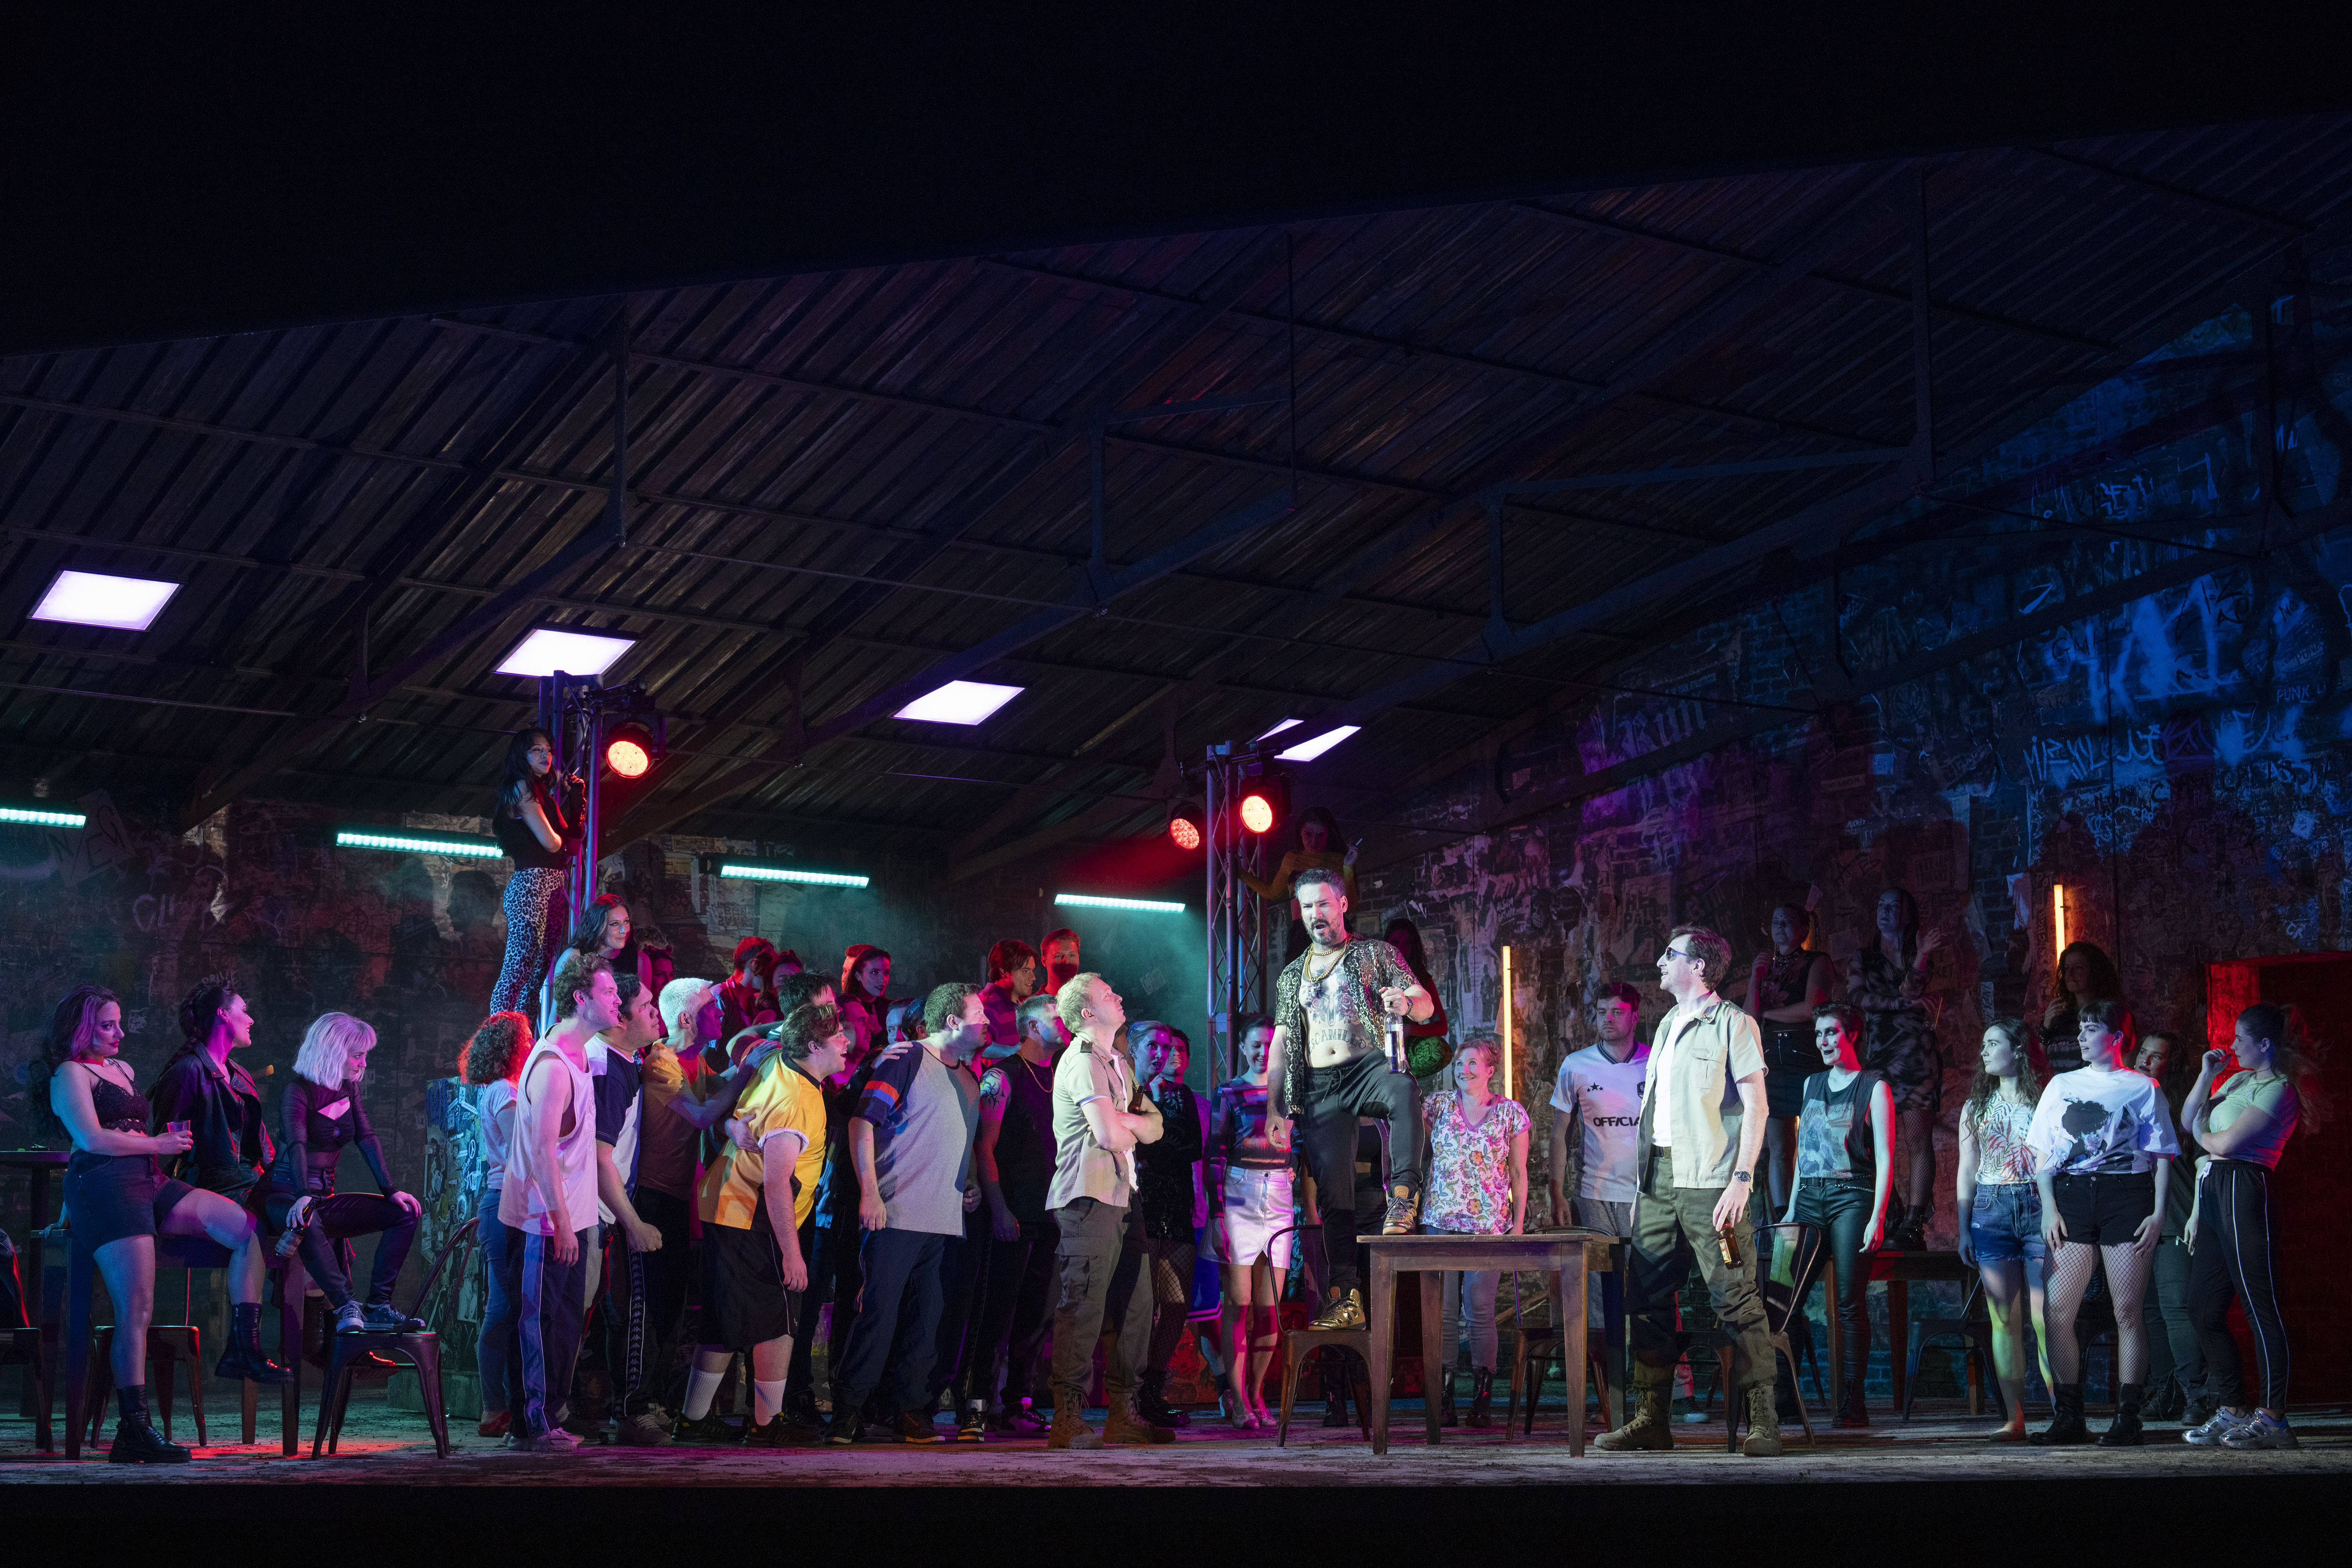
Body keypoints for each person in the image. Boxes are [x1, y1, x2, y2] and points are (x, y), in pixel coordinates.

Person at [40, 986, 285, 1462]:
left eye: (118, 1022)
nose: (119, 1032)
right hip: (107, 1186)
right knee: (138, 1306)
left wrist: (156, 1151)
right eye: (107, 1025)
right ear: (82, 1029)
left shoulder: (123, 1070)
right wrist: (157, 1145)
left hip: (149, 1180)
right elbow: (89, 1139)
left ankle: (243, 1344)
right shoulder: (69, 1074)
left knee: (245, 1228)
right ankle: (133, 1427)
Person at [1595, 925, 1778, 1457]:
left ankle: (1763, 1419)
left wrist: (1741, 1178)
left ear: (1698, 966)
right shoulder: (1668, 1023)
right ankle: (1652, 1418)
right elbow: (1655, 1114)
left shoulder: (1734, 1024)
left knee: (1735, 1295)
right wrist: (1640, 1189)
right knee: (1647, 1299)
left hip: (1711, 1184)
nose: (1659, 961)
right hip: (1658, 1182)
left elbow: (1757, 1106)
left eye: (1669, 954)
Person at [1263, 868, 1437, 1329]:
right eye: (1306, 906)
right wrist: (1274, 1108)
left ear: (1342, 904)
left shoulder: (1375, 953)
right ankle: (1345, 1297)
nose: (1314, 914)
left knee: (1402, 1088)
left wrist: (1406, 1002)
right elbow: (1281, 1043)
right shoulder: (1292, 975)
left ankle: (1403, 1199)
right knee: (1333, 1194)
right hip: (1319, 1084)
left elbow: (1424, 1003)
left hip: (1367, 1067)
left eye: (1322, 903)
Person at [676, 1002, 844, 1447]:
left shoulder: (774, 1056)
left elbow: (744, 1041)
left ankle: (693, 1420)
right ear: (814, 1046)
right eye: (838, 1035)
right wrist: (792, 1253)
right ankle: (767, 1424)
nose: (847, 1041)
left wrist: (731, 1123)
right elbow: (776, 1182)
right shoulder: (796, 1099)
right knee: (779, 1320)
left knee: (724, 1318)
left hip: (729, 1207)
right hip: (752, 1215)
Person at [826, 982, 985, 1445]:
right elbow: (861, 1123)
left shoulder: (969, 1079)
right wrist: (870, 1194)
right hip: (895, 1215)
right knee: (876, 1315)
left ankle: (909, 1410)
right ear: (952, 1021)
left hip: (942, 1221)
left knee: (926, 1320)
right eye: (978, 1014)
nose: (987, 1022)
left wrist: (968, 1185)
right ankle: (848, 1410)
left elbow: (952, 1143)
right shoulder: (905, 1059)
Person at [2026, 998, 2177, 1447]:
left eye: (2091, 1029)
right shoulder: (2062, 1084)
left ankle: (2128, 1418)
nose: (2081, 1036)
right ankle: (2069, 1416)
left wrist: (2159, 1212)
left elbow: (2162, 1154)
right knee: (2058, 1310)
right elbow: (2043, 1153)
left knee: (2127, 1310)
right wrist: (2049, 1207)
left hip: (2125, 1195)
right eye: (2080, 1028)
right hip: (2072, 1195)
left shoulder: (2143, 1087)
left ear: (2116, 1038)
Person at [2179, 1002, 2328, 1451]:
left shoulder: (2280, 1090)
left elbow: (2225, 1142)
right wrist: (2207, 1075)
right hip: (2215, 1186)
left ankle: (2274, 1418)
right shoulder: (2237, 1080)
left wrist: (2202, 1136)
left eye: (2241, 1038)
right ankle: (2232, 1407)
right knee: (2202, 1307)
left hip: (2245, 1189)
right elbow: (2188, 1118)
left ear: (2264, 1044)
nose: (2233, 1045)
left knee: (2261, 1308)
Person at [1042, 971, 1174, 1449]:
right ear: (1087, 1013)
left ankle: (1124, 1412)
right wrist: (1128, 1124)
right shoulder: (1081, 1061)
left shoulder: (1116, 1060)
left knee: (1136, 1307)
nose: (1118, 996)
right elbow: (1109, 1136)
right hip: (1088, 1197)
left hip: (1124, 1196)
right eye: (1106, 994)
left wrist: (1126, 1120)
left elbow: (1157, 1127)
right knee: (1083, 1307)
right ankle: (1068, 1416)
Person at [501, 953, 616, 1450]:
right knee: (537, 1322)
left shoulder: (582, 1055)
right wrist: (562, 1222)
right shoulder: (552, 1067)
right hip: (543, 1221)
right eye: (609, 992)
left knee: (565, 1323)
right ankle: (531, 1425)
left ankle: (549, 1416)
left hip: (574, 1215)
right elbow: (542, 1150)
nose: (618, 1000)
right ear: (580, 998)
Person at [264, 1012, 424, 1338]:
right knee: (307, 1217)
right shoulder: (297, 1091)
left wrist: (390, 1190)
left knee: (405, 1213)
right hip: (285, 1195)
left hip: (324, 1198)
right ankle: (345, 1305)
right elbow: (296, 1145)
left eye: (364, 1055)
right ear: (334, 1051)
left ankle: (378, 1306)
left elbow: (366, 1136)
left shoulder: (348, 1088)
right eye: (358, 1055)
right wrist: (301, 1196)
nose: (363, 1063)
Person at [1777, 1003, 1893, 1428]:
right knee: (1782, 1298)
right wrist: (1791, 1209)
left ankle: (1853, 1402)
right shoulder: (1811, 1083)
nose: (1823, 1041)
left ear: (1852, 1035)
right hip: (1809, 1197)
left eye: (1831, 1032)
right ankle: (1785, 1399)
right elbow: (1803, 1153)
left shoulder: (1874, 1087)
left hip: (1852, 1197)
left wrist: (1878, 1216)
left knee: (1848, 1302)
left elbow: (1886, 1157)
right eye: (1819, 1033)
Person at [1546, 984, 1652, 1419]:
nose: (1608, 1018)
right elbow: (1559, 1133)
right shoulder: (1577, 1064)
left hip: (1647, 1195)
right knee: (1596, 1300)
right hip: (1594, 1195)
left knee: (1651, 1291)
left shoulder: (1655, 1061)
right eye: (1602, 1010)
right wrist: (1556, 1190)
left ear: (1635, 1016)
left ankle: (1662, 1393)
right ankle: (1607, 1397)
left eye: (1617, 1011)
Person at [970, 992, 1069, 1434]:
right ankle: (977, 1402)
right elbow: (984, 1146)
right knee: (996, 1313)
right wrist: (998, 1207)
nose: (1066, 1024)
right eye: (1056, 1018)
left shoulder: (1064, 1074)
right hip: (1012, 1214)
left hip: (1052, 1215)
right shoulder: (1002, 1075)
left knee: (1036, 1315)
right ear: (1032, 1026)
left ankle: (1017, 1403)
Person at [1421, 1037, 1530, 1428]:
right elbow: (1400, 1129)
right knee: (1445, 1312)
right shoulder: (1437, 1105)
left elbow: (1518, 1173)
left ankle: (1482, 1397)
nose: (1464, 1070)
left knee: (1479, 1308)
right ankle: (1444, 1395)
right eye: (1459, 1064)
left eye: (1472, 1064)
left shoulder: (1510, 1113)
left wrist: (1518, 1225)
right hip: (1441, 1221)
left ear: (1490, 1070)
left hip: (1489, 1226)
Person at [587, 967, 673, 1444]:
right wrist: (633, 1221)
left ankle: (610, 1410)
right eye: (646, 1006)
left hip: (604, 1212)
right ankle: (630, 1413)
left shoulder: (620, 1060)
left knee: (613, 1315)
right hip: (599, 1213)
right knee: (623, 1314)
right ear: (619, 1017)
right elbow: (600, 1157)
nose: (655, 1014)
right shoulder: (608, 1069)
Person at [1954, 1017, 2049, 1441]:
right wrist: (1963, 1228)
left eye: (1994, 1043)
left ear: (2020, 1049)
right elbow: (1967, 1170)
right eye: (1984, 1044)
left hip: (2037, 1205)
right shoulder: (1976, 1106)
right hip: (1991, 1209)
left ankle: (2065, 1415)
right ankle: (2015, 1418)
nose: (1984, 1051)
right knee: (2003, 1319)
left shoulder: (2045, 1099)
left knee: (2046, 1317)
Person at [1844, 888, 1945, 1250]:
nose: (1885, 911)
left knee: (1918, 1140)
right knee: (1869, 1141)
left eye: (1894, 906)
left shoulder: (1919, 949)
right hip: (1880, 1054)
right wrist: (1903, 1003)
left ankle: (1914, 1222)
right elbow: (1858, 997)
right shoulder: (1863, 957)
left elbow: (1911, 988)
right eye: (1881, 905)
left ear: (1907, 913)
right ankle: (1889, 1212)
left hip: (1916, 1052)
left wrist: (1921, 956)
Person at [1208, 1014, 1291, 1429]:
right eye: (1256, 1044)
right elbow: (1214, 1154)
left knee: (1269, 1308)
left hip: (1279, 1194)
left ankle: (1257, 1393)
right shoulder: (1229, 1091)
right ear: (1242, 1047)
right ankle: (1238, 1398)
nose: (1263, 1051)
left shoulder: (1290, 1093)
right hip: (1239, 1191)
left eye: (1270, 1045)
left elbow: (1302, 1144)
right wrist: (1218, 1214)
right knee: (1238, 1304)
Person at [1129, 1021, 1207, 1429]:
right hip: (1140, 1205)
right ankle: (1131, 1392)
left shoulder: (1182, 1095)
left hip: (1176, 1206)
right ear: (1136, 1050)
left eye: (1168, 1048)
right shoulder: (1128, 1090)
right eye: (1155, 1047)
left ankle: (1152, 1389)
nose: (1162, 1055)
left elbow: (1195, 1147)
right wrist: (1157, 1145)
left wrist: (1153, 1144)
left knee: (1176, 1304)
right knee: (1142, 1305)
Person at [459, 1011, 532, 1440]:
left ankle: (497, 1404)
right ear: (512, 1047)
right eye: (527, 1037)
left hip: (501, 1201)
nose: (532, 1043)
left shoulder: (500, 1088)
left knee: (504, 1305)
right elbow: (523, 1146)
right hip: (505, 1202)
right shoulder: (504, 1090)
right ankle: (494, 1405)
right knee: (504, 1306)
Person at [148, 977, 275, 1214]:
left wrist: (283, 1181)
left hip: (253, 1185)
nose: (251, 1019)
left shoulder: (241, 1074)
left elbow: (263, 1145)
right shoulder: (188, 1072)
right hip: (215, 1191)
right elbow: (164, 1150)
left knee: (309, 1212)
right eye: (244, 1010)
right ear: (223, 1014)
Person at [2130, 1030, 2204, 1423]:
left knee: (2176, 1308)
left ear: (2171, 1065)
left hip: (2175, 1216)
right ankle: (2165, 1390)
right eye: (2142, 1052)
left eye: (2156, 1056)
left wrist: (2196, 1214)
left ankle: (2197, 1394)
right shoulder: (2126, 1097)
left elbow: (2203, 1163)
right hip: (2135, 1222)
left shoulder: (2180, 1105)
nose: (2144, 1060)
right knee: (2149, 1312)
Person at [1745, 904, 1833, 1214]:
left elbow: (1812, 1009)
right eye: (1775, 921)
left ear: (1804, 929)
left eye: (1788, 922)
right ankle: (1784, 1216)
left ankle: (1815, 1209)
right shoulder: (1766, 966)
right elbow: (1749, 1017)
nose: (1780, 926)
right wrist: (1755, 978)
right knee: (1780, 1148)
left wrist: (1768, 1014)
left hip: (1804, 1055)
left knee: (1815, 1143)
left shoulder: (1817, 961)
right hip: (1771, 1060)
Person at [488, 727, 577, 1016]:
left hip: (554, 885)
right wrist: (560, 841)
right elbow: (552, 843)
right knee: (518, 970)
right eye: (537, 750)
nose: (545, 755)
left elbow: (570, 841)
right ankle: (498, 1032)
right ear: (521, 756)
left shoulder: (543, 794)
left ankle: (523, 1035)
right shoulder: (521, 787)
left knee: (537, 977)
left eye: (548, 750)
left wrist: (575, 797)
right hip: (531, 885)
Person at [1240, 805, 1360, 960]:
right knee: (1297, 973)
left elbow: (1351, 906)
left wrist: (1348, 867)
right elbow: (1272, 892)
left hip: (1333, 930)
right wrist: (1241, 874)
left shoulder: (1340, 860)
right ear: (1300, 833)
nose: (1314, 841)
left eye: (1320, 835)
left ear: (1328, 835)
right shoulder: (1292, 859)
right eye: (1308, 834)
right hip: (1301, 931)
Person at [2041, 940, 2121, 1077]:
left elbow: (2121, 1064)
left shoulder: (2111, 1014)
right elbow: (2037, 1063)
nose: (2070, 974)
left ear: (2095, 972)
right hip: (2058, 1087)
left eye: (2078, 968)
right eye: (2067, 968)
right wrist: (2046, 1027)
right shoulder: (2058, 1015)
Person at [1383, 918, 1451, 1055]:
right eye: (1395, 942)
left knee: (1440, 1052)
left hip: (1407, 1044)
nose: (1400, 949)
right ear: (1385, 945)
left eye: (1407, 943)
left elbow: (1442, 1027)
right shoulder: (1372, 971)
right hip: (1375, 1044)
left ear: (1414, 947)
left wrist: (1409, 1030)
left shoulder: (1421, 977)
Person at [839, 944, 894, 1073]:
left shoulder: (891, 1010)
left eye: (886, 973)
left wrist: (879, 1030)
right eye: (874, 972)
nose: (882, 979)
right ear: (858, 975)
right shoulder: (843, 1006)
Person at [980, 938, 1041, 1054]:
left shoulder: (1018, 1005)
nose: (1033, 977)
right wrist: (1015, 1052)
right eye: (1025, 971)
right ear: (1004, 972)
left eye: (1032, 971)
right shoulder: (987, 1004)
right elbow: (977, 1046)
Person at [718, 937, 778, 1042]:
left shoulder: (755, 1001)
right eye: (770, 965)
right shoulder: (719, 997)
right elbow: (706, 1049)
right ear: (755, 965)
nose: (773, 972)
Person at [1039, 928, 1083, 995]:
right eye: (1059, 956)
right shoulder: (1032, 1002)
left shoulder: (1092, 998)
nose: (1067, 962)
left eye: (1072, 955)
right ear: (1044, 961)